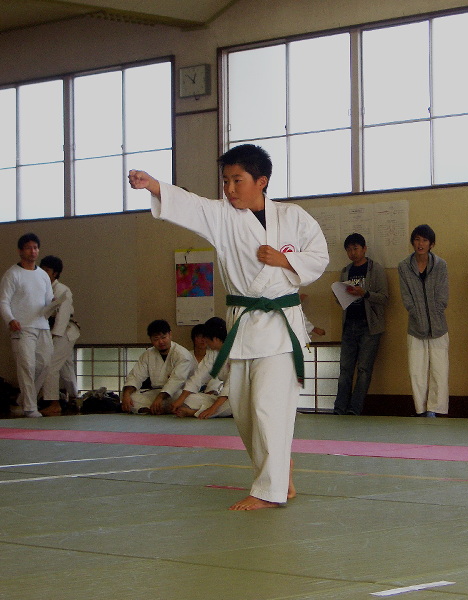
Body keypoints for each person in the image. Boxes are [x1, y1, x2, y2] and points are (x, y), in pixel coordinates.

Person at [129, 143, 328, 510]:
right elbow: (191, 207)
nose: (230, 189)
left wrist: (286, 260)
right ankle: (280, 472)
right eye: (225, 181)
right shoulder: (222, 216)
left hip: (281, 329)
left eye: (238, 180)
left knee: (270, 407)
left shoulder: (294, 217)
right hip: (242, 326)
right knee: (244, 409)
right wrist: (155, 185)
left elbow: (319, 257)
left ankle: (267, 491)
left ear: (261, 181)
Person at [334, 233, 388, 416]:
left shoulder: (375, 269)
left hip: (369, 326)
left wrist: (364, 293)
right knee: (345, 369)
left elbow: (384, 298)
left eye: (355, 248)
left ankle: (354, 409)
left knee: (364, 370)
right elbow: (340, 300)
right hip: (349, 324)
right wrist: (340, 295)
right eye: (349, 249)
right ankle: (339, 408)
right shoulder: (345, 271)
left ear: (364, 249)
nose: (352, 253)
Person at [0, 233, 54, 418]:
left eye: (36, 247)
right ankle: (30, 407)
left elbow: (48, 300)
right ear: (20, 251)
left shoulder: (43, 276)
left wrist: (54, 305)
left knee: (45, 364)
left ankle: (22, 399)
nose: (33, 251)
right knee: (26, 366)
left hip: (42, 326)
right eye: (29, 248)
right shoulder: (12, 274)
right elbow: (4, 301)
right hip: (22, 328)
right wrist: (10, 319)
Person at [398, 224, 449, 417]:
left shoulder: (441, 265)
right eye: (417, 240)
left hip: (439, 327)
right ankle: (420, 409)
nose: (420, 244)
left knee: (439, 371)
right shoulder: (404, 266)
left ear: (431, 244)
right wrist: (419, 317)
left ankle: (434, 409)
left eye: (425, 240)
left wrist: (433, 317)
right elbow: (406, 298)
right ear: (413, 242)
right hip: (415, 327)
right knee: (416, 372)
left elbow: (443, 298)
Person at [120, 319, 194, 415]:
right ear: (151, 340)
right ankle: (155, 409)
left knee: (189, 400)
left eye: (164, 337)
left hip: (177, 393)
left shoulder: (182, 355)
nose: (161, 342)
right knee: (132, 397)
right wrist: (126, 395)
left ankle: (153, 409)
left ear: (170, 335)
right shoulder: (148, 354)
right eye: (156, 339)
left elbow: (177, 380)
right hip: (156, 392)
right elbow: (136, 376)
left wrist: (159, 398)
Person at [39, 255, 80, 416]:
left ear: (55, 273)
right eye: (41, 269)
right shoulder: (43, 289)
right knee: (66, 366)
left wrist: (55, 335)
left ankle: (54, 403)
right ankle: (75, 399)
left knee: (50, 366)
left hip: (64, 332)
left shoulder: (62, 289)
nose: (43, 272)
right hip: (52, 331)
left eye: (47, 270)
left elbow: (63, 315)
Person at [172, 317, 232, 419]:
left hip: (239, 396)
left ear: (215, 339)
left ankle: (194, 412)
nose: (206, 342)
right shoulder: (213, 353)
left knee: (233, 406)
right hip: (222, 397)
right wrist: (180, 400)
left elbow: (230, 386)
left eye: (207, 340)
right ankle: (208, 410)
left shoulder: (235, 352)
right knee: (189, 399)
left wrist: (212, 409)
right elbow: (198, 377)